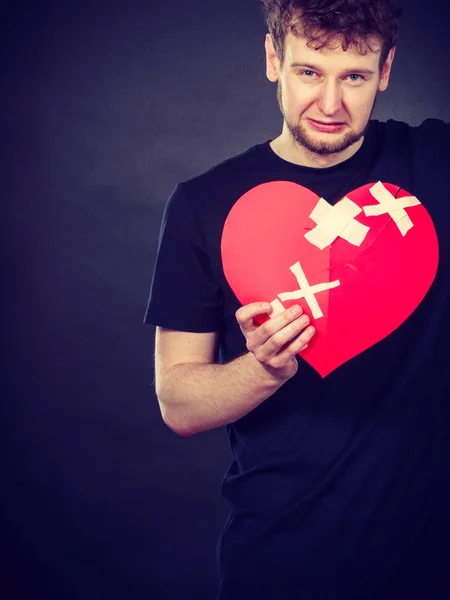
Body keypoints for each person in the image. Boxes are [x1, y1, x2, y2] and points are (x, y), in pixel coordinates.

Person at [144, 1, 450, 598]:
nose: (331, 104)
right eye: (310, 71)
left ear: (386, 70)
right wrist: (263, 369)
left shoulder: (435, 165)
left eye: (355, 76)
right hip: (283, 562)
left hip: (433, 564)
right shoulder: (202, 205)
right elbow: (178, 403)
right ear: (272, 59)